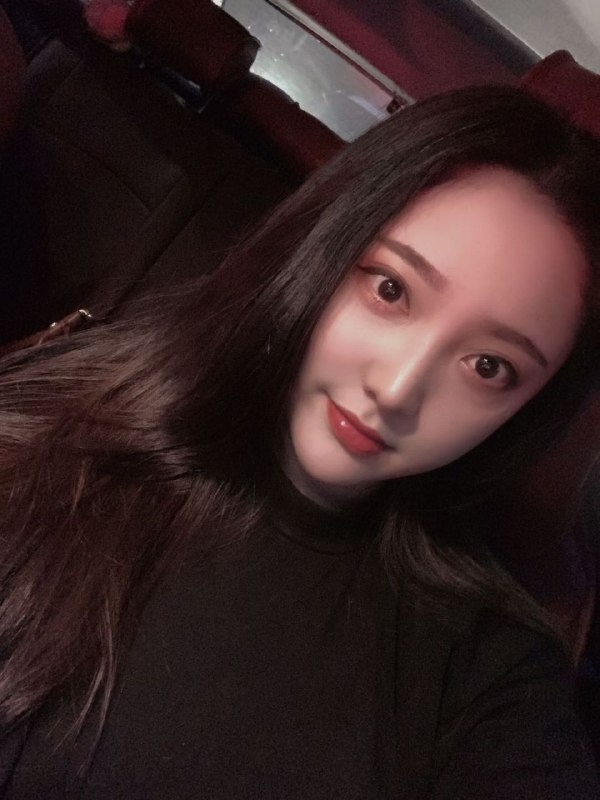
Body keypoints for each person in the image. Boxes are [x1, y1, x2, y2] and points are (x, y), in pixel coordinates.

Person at [0, 85, 599, 799]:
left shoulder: (481, 672)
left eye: (489, 367)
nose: (398, 390)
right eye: (390, 290)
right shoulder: (58, 417)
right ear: (325, 243)